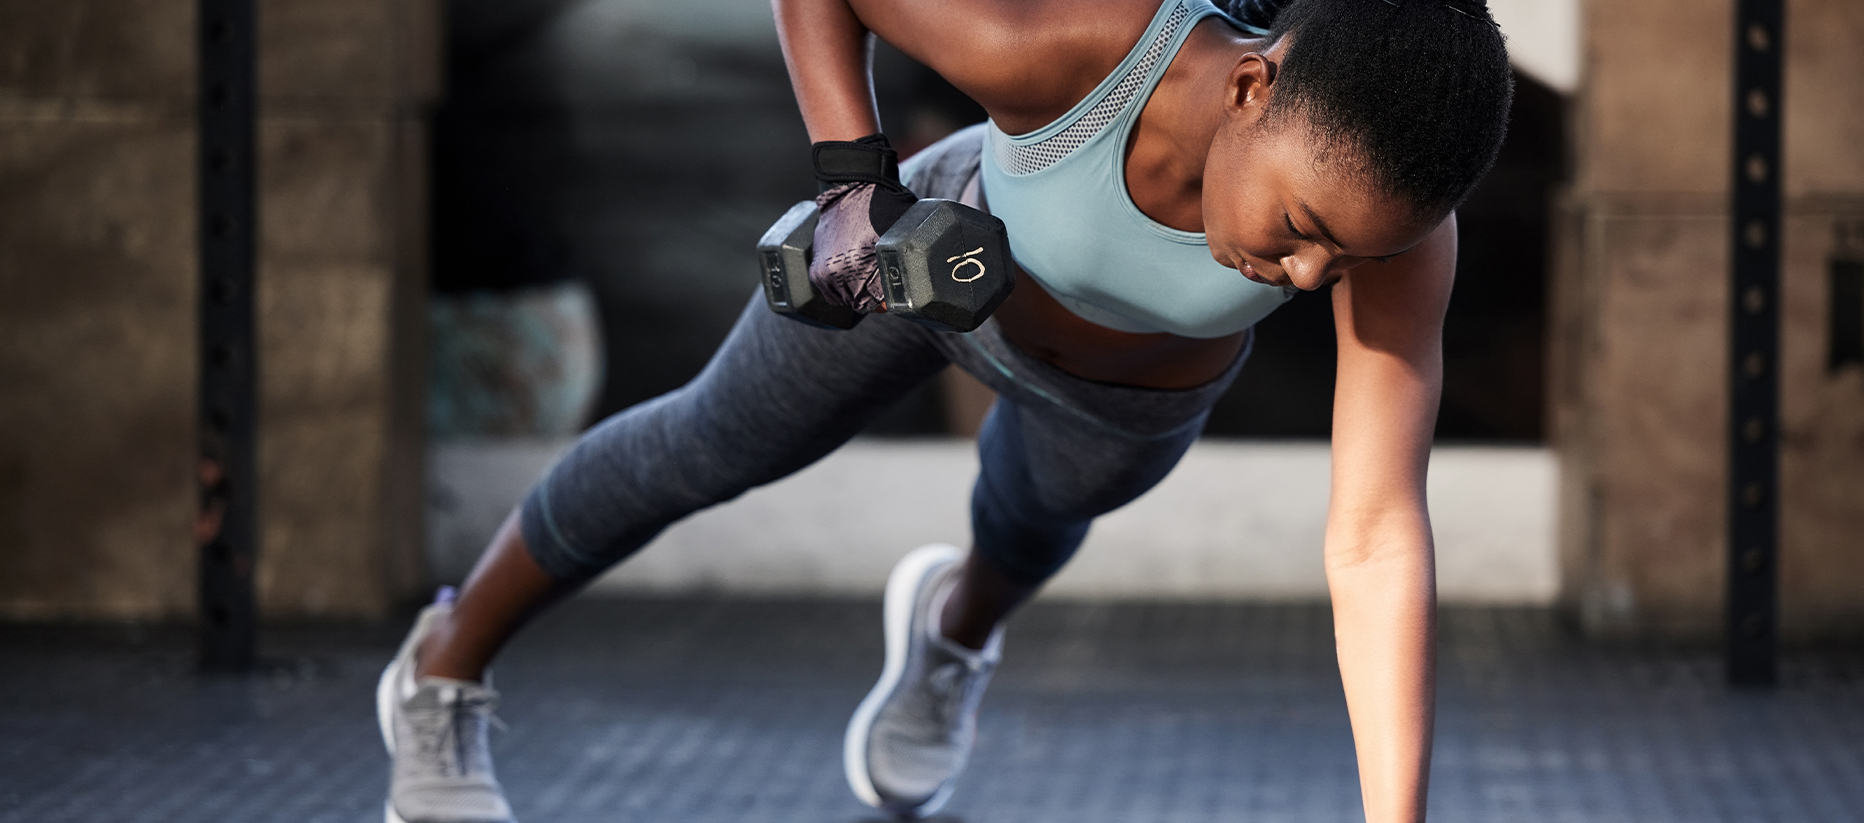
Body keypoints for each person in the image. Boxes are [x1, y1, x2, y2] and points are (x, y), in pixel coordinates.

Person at [375, 0, 1512, 821]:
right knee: (703, 446)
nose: (1312, 278)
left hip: (1124, 403)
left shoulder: (1400, 247)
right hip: (931, 274)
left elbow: (1372, 536)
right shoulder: (1072, 46)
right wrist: (852, 181)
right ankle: (443, 663)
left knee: (1026, 529)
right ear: (1253, 88)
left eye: (1347, 255)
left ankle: (951, 635)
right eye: (1303, 225)